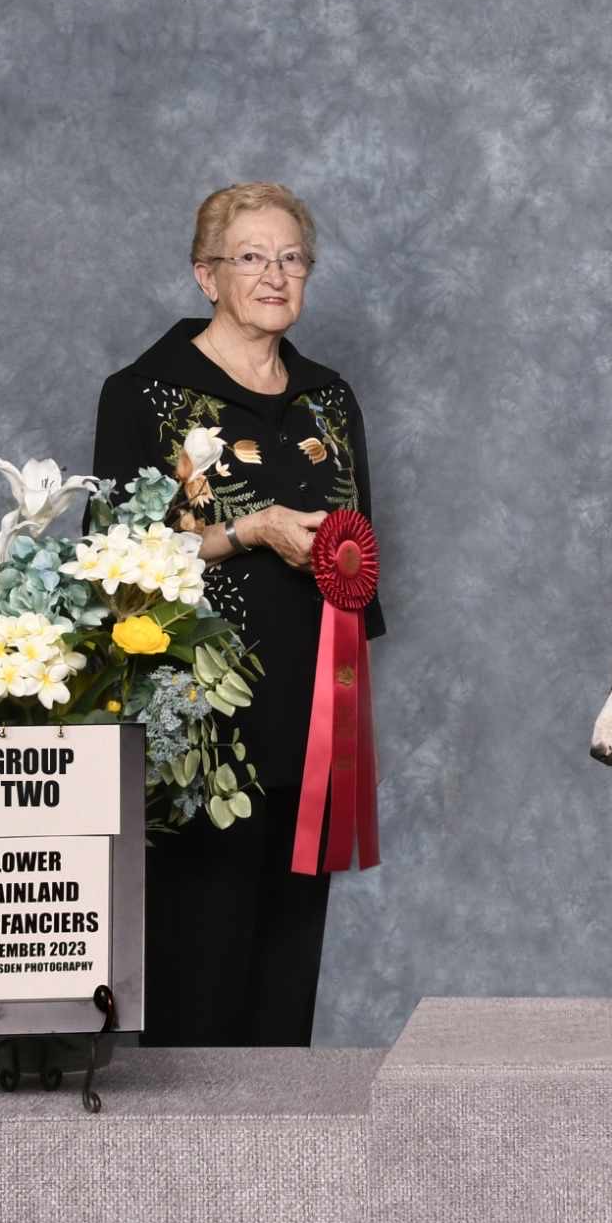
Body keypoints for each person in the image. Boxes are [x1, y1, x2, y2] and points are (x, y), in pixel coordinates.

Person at [89, 181, 384, 1046]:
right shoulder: (143, 393)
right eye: (250, 256)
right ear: (205, 275)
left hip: (314, 719)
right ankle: (188, 1138)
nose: (274, 275)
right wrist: (244, 532)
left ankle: (278, 1134)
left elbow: (358, 556)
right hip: (198, 728)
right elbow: (113, 566)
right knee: (201, 973)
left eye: (292, 258)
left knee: (287, 977)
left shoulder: (330, 399)